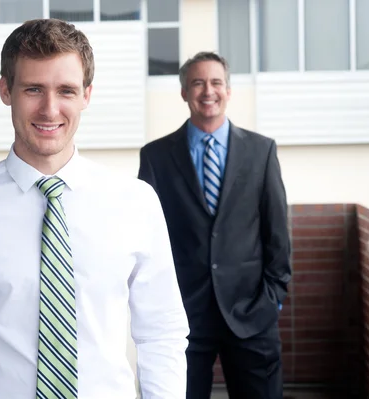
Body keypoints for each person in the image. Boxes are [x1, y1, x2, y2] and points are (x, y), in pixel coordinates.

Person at [0, 18, 189, 399]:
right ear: (6, 90)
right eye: (33, 88)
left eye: (66, 90)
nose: (50, 109)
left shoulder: (136, 203)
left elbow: (162, 333)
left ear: (87, 94)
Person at [138, 52, 291, 399]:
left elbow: (277, 233)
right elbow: (146, 237)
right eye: (197, 82)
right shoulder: (155, 157)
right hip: (183, 318)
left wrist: (272, 300)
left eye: (216, 82)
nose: (208, 91)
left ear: (228, 90)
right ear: (183, 93)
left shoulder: (261, 151)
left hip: (252, 314)